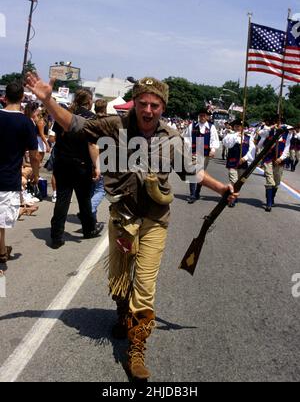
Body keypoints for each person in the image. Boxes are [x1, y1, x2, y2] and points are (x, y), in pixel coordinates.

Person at [26, 73, 238, 381]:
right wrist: (47, 99)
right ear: (135, 104)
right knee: (120, 276)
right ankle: (123, 313)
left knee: (145, 284)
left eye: (155, 105)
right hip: (122, 218)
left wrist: (221, 188)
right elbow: (75, 125)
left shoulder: (171, 138)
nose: (148, 110)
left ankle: (136, 349)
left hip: (155, 221)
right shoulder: (115, 127)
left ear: (162, 107)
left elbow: (192, 172)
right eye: (143, 103)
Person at [50, 89, 103, 248]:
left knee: (62, 199)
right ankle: (89, 230)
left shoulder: (64, 114)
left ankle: (56, 236)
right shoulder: (92, 118)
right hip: (81, 164)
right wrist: (97, 166)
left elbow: (53, 137)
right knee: (84, 199)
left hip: (62, 162)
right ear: (89, 101)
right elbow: (92, 145)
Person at [0, 82, 39, 264]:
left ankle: (2, 250)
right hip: (8, 178)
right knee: (2, 220)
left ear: (4, 97)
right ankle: (1, 253)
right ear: (22, 98)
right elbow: (34, 155)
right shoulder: (26, 123)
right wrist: (36, 173)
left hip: (8, 177)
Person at [184, 107, 220, 203]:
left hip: (205, 153)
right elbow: (187, 138)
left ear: (207, 117)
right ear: (198, 116)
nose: (202, 117)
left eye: (204, 115)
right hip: (195, 152)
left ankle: (197, 192)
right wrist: (187, 150)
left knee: (200, 173)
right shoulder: (192, 125)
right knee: (192, 172)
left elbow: (214, 139)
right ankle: (192, 194)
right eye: (200, 115)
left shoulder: (211, 127)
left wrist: (213, 149)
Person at [258, 115, 292, 212]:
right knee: (270, 181)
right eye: (276, 122)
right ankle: (268, 203)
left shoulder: (287, 133)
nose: (278, 124)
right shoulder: (269, 130)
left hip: (279, 160)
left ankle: (272, 197)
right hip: (268, 158)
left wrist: (281, 158)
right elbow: (261, 136)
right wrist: (269, 128)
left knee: (276, 182)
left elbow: (287, 147)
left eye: (280, 122)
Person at [222, 119, 256, 207]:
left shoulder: (249, 138)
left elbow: (252, 150)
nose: (238, 128)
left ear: (243, 127)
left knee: (240, 182)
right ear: (233, 127)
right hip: (232, 162)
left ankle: (234, 194)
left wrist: (245, 158)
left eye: (239, 126)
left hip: (243, 163)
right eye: (236, 126)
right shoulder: (230, 136)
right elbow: (227, 144)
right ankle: (232, 198)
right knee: (234, 180)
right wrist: (235, 136)